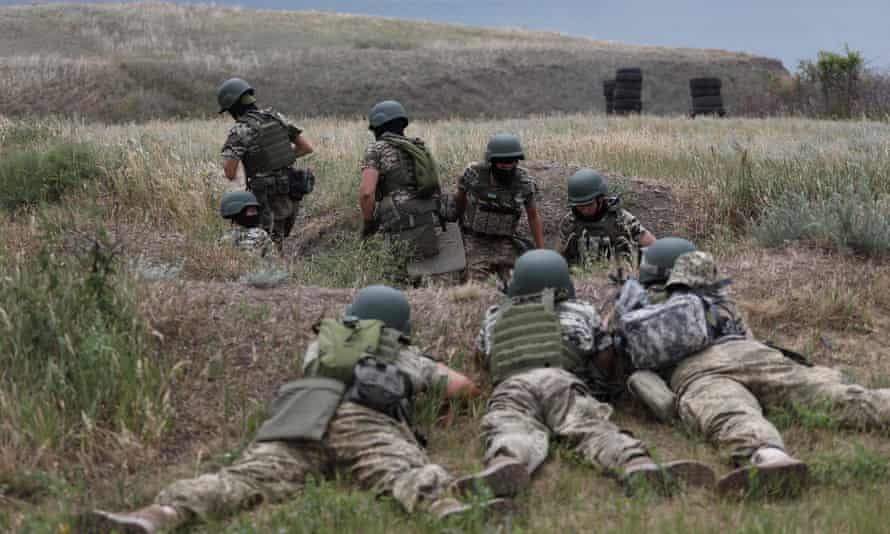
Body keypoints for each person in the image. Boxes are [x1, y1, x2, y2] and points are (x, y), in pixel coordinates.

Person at [82, 286, 509, 533]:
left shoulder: (321, 344)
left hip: (300, 419)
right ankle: (449, 510)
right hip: (364, 422)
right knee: (403, 473)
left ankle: (158, 515)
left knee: (242, 478)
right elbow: (466, 389)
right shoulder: (397, 350)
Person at [614, 247, 890, 496]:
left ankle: (769, 457)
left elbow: (620, 360)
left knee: (730, 415)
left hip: (696, 374)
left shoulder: (636, 307)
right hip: (751, 354)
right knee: (830, 394)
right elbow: (749, 336)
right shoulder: (717, 299)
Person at [452, 250, 715, 500]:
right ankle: (634, 461)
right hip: (560, 381)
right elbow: (605, 353)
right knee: (590, 426)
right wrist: (597, 382)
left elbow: (484, 360)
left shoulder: (494, 318)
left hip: (512, 386)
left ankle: (506, 460)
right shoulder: (581, 312)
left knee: (508, 426)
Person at [359, 100, 460, 284]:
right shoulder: (418, 146)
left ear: (377, 126)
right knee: (430, 279)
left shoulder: (375, 149)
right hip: (431, 217)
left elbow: (367, 193)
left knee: (394, 278)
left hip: (398, 222)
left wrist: (368, 224)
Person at [217, 77, 315, 252]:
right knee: (278, 239)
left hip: (265, 196)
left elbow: (230, 172)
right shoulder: (276, 117)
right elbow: (306, 148)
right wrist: (279, 160)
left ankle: (276, 275)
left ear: (232, 107)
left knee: (268, 245)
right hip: (290, 190)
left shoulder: (240, 130)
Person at [455, 133, 545, 282]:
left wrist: (542, 252)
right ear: (492, 161)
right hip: (475, 240)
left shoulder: (524, 182)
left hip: (505, 241)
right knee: (475, 282)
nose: (507, 167)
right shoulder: (474, 173)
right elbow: (459, 198)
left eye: (512, 163)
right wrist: (457, 226)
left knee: (518, 281)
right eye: (503, 163)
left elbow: (533, 216)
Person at [556, 168, 655, 271]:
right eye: (580, 206)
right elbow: (557, 256)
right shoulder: (570, 222)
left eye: (589, 205)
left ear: (600, 199)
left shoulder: (622, 220)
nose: (585, 210)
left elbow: (653, 246)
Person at [217, 191, 277, 258]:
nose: (255, 214)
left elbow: (272, 262)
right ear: (237, 212)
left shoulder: (261, 235)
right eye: (251, 211)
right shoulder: (226, 238)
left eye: (255, 210)